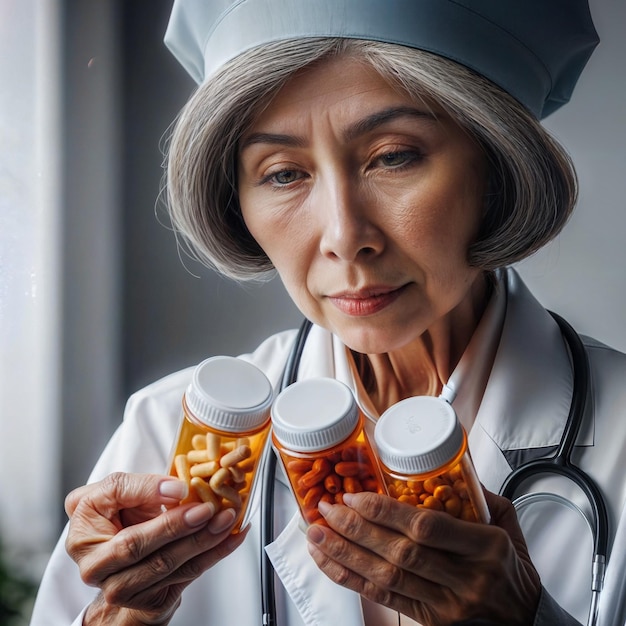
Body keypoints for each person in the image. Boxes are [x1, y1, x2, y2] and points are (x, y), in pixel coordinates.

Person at [29, 1, 626, 625]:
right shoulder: (161, 432)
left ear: (495, 167)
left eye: (394, 156)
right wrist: (120, 616)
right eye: (284, 173)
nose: (344, 236)